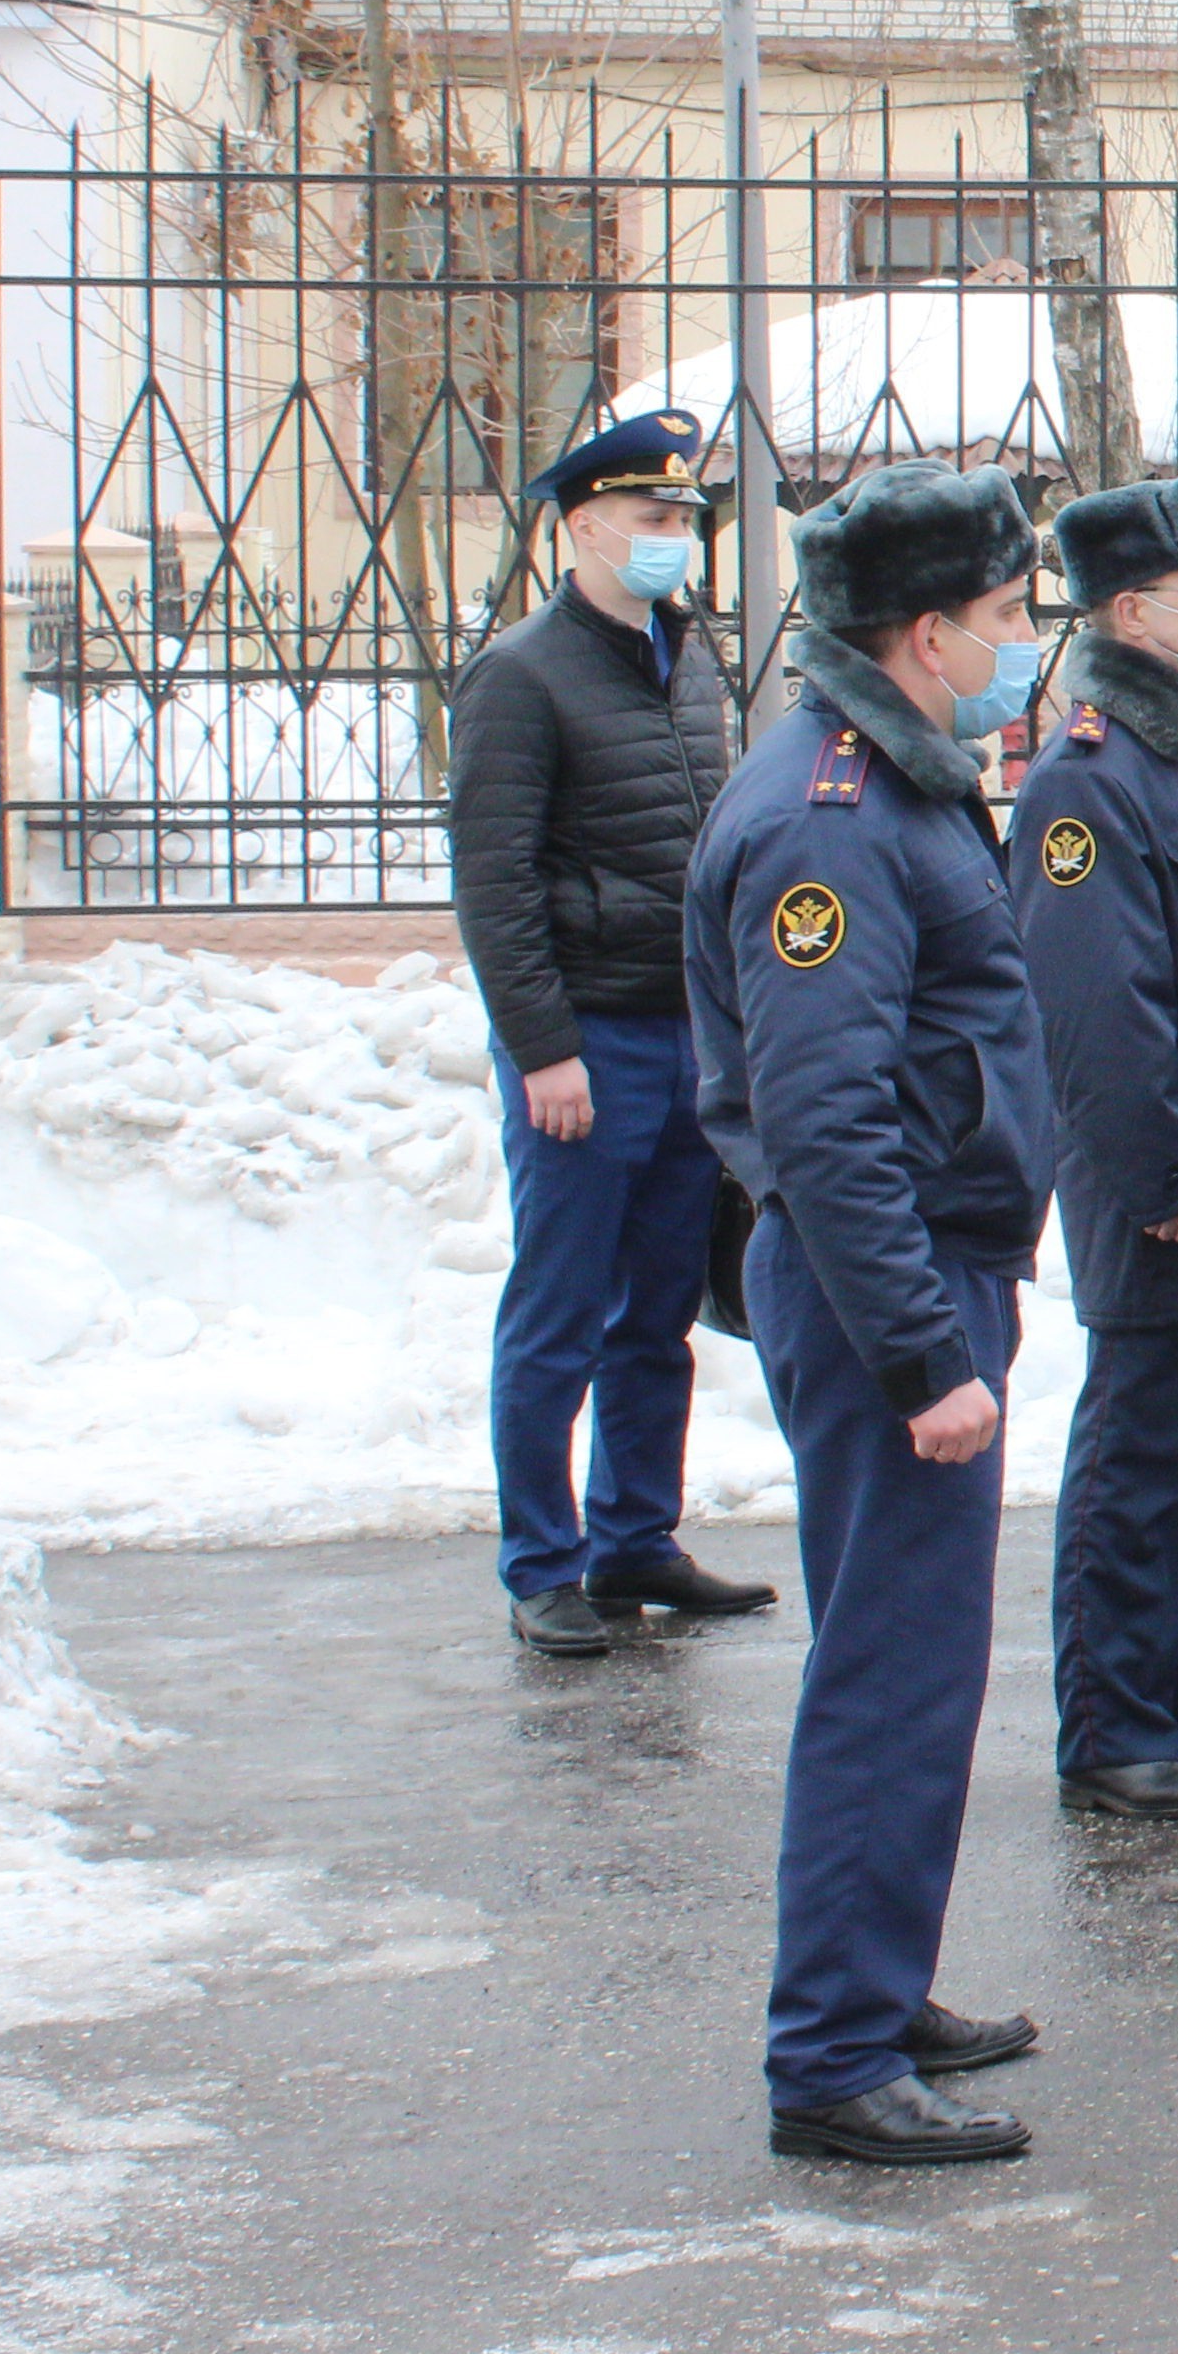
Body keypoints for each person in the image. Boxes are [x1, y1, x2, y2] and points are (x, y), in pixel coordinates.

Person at [686, 460, 1056, 2168]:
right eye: (1001, 616)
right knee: (887, 1676)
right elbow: (825, 1127)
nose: (1019, 644)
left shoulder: (892, 775)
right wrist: (926, 1351)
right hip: (876, 1293)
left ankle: (875, 1979)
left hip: (921, 1271)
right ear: (922, 633)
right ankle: (830, 2049)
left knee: (911, 1659)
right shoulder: (825, 820)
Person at [448, 407, 763, 1659]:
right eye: (653, 518)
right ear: (580, 529)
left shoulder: (682, 655)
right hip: (586, 1042)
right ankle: (543, 1562)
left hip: (681, 1033)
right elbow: (496, 882)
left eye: (685, 519)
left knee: (658, 1313)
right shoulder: (521, 674)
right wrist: (541, 1048)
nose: (675, 539)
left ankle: (637, 1536)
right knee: (560, 1311)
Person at [1007, 468, 1178, 1827]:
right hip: (1168, 1175)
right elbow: (1094, 1005)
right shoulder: (1087, 780)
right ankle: (1114, 1723)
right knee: (1142, 1460)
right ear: (1132, 611)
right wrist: (1165, 1172)